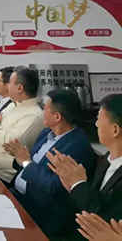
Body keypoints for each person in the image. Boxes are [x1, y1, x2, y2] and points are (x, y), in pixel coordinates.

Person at [4, 89, 97, 237]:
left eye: (45, 109)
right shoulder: (46, 133)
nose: (42, 112)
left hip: (40, 211)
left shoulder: (77, 147)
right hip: (18, 195)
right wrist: (18, 156)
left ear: (57, 117)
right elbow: (29, 164)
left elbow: (54, 187)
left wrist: (25, 162)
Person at [47, 94, 122, 240]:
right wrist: (73, 186)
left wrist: (78, 184)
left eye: (99, 119)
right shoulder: (109, 157)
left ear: (115, 130)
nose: (96, 124)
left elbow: (104, 224)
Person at [0, 65, 44, 183]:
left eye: (10, 83)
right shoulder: (12, 106)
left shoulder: (34, 115)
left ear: (19, 88)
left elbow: (11, 141)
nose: (7, 86)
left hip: (2, 176)